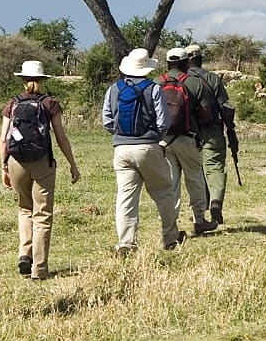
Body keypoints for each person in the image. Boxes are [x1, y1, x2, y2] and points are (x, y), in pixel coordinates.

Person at [0, 60, 81, 280]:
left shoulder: (12, 104)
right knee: (42, 215)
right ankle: (40, 269)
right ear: (42, 80)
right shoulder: (49, 103)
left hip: (16, 161)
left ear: (23, 79)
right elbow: (61, 138)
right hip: (42, 162)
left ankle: (24, 254)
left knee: (25, 209)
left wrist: (4, 166)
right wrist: (72, 164)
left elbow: (3, 139)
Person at [102, 48, 184, 254]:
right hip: (148, 146)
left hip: (121, 149)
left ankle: (126, 243)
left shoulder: (114, 89)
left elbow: (107, 120)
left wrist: (120, 134)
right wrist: (155, 137)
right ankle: (170, 237)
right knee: (164, 192)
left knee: (126, 198)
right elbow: (163, 121)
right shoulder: (153, 88)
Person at [160, 47, 218, 236]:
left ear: (168, 64)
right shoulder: (194, 83)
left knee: (171, 183)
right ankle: (199, 220)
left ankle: (170, 225)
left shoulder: (157, 82)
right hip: (188, 138)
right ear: (186, 63)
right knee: (195, 179)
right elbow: (205, 113)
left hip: (164, 140)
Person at [184, 43, 238, 226]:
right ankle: (215, 202)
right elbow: (224, 106)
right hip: (212, 130)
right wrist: (230, 129)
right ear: (200, 59)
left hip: (188, 133)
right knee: (214, 168)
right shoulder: (212, 79)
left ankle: (199, 212)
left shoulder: (181, 80)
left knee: (194, 171)